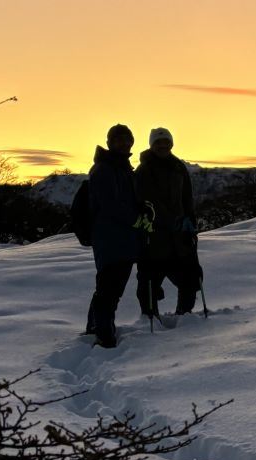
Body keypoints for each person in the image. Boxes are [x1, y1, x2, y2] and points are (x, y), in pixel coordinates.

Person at [85, 123, 147, 348]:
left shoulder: (121, 168)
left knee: (108, 287)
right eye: (119, 139)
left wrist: (141, 209)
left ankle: (95, 327)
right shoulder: (104, 169)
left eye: (127, 139)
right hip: (110, 239)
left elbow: (126, 201)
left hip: (122, 239)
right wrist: (136, 219)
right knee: (109, 289)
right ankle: (104, 334)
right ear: (110, 142)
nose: (124, 143)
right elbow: (112, 205)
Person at [134, 127, 200, 317]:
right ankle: (150, 317)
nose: (163, 146)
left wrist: (191, 222)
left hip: (178, 235)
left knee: (189, 278)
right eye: (158, 143)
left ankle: (184, 315)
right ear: (152, 145)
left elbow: (187, 198)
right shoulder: (143, 170)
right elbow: (137, 201)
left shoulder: (178, 168)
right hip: (153, 236)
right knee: (149, 282)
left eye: (166, 142)